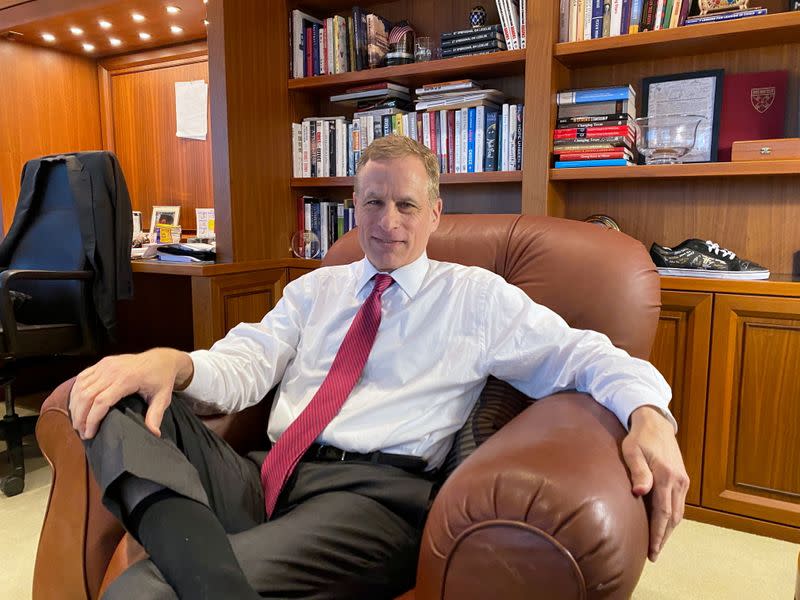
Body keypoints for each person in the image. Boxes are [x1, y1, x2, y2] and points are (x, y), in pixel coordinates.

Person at [70, 136, 689, 599]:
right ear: (353, 208)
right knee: (111, 393)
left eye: (406, 205)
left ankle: (193, 571)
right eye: (372, 203)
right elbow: (249, 361)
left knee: (146, 591)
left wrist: (649, 413)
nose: (388, 222)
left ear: (435, 213)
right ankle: (208, 572)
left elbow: (581, 352)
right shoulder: (319, 288)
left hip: (372, 502)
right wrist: (170, 362)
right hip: (267, 476)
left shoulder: (474, 297)